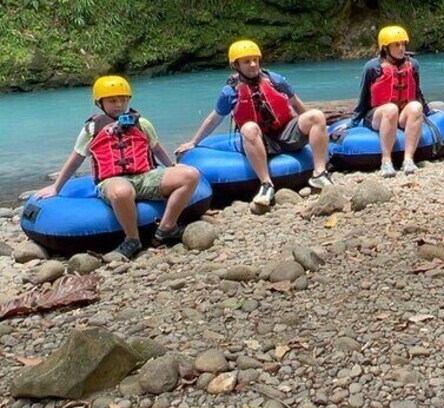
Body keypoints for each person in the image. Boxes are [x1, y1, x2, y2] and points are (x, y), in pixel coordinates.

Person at [36, 76, 201, 260]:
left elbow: (157, 149)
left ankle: (166, 228)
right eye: (113, 101)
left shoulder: (142, 124)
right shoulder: (92, 129)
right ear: (100, 103)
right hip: (112, 181)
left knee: (191, 174)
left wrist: (171, 167)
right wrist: (56, 187)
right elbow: (75, 160)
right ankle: (132, 239)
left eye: (123, 100)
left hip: (146, 176)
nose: (119, 105)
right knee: (122, 191)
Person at [176, 39, 332, 207]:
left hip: (285, 132)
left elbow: (296, 104)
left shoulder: (275, 80)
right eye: (246, 62)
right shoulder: (230, 91)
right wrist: (194, 142)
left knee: (316, 115)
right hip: (259, 141)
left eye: (255, 60)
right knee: (249, 128)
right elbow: (214, 118)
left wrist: (319, 129)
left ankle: (319, 174)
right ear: (236, 65)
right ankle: (266, 184)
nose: (252, 65)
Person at [350, 25, 431, 178]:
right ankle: (386, 161)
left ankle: (408, 160)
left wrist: (427, 111)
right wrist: (353, 123)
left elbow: (417, 91)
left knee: (415, 106)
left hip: (401, 115)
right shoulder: (372, 68)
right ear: (385, 47)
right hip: (377, 115)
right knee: (390, 109)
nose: (402, 48)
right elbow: (363, 98)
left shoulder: (413, 65)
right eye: (397, 45)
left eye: (403, 44)